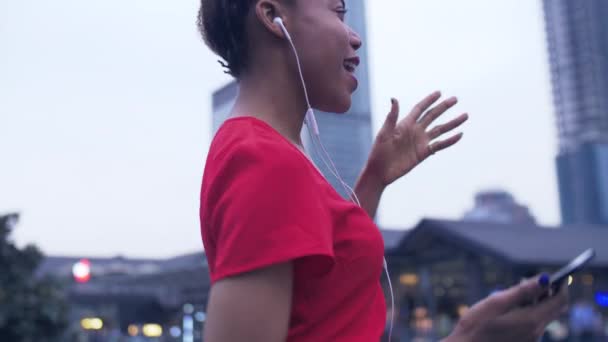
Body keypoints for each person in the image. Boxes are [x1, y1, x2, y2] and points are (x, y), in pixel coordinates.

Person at [197, 1, 568, 341]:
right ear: (272, 17)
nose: (355, 39)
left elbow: (324, 299)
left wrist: (373, 179)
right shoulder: (262, 159)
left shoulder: (269, 153)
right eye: (338, 12)